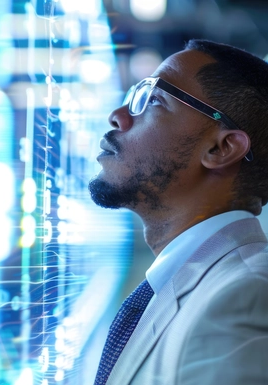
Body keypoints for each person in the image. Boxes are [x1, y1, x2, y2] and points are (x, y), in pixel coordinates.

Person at [88, 39, 268, 385]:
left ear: (221, 148)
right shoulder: (194, 282)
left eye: (153, 99)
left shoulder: (245, 296)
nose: (119, 116)